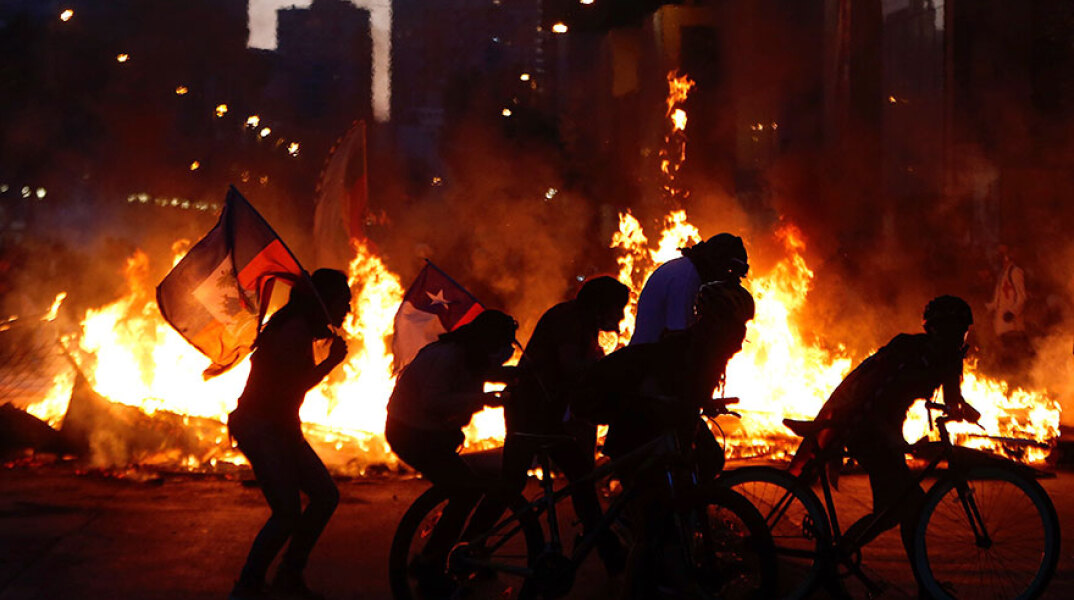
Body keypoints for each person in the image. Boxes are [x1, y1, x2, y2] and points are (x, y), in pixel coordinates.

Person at [572, 280, 755, 598]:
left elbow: (686, 403)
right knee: (655, 521)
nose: (739, 339)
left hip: (656, 426)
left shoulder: (709, 350)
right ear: (714, 322)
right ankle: (638, 574)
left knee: (706, 461)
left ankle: (661, 550)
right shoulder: (688, 353)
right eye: (734, 327)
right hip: (633, 430)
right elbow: (662, 398)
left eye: (743, 327)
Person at [788, 295, 981, 594]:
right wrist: (898, 443)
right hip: (862, 425)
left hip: (886, 428)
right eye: (955, 331)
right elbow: (870, 399)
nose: (960, 339)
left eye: (964, 332)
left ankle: (920, 583)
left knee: (903, 507)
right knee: (903, 507)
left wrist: (964, 410)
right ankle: (835, 561)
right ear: (937, 329)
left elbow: (953, 399)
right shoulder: (907, 351)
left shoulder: (950, 358)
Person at [480, 276, 630, 571]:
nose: (621, 316)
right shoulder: (569, 321)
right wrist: (616, 369)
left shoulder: (583, 322)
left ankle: (604, 546)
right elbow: (573, 368)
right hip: (530, 412)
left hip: (548, 415)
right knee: (512, 483)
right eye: (617, 309)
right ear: (600, 308)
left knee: (581, 479)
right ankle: (463, 547)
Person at [227, 269, 353, 600]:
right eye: (344, 301)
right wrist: (330, 364)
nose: (348, 310)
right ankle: (248, 586)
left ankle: (289, 575)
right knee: (286, 513)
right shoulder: (294, 329)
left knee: (325, 496)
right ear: (323, 301)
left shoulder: (300, 327)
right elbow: (292, 386)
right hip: (262, 426)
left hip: (281, 426)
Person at [384, 309, 518, 594]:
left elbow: (493, 371)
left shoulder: (470, 355)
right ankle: (430, 563)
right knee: (464, 489)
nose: (505, 351)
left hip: (431, 433)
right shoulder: (448, 356)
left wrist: (523, 375)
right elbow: (435, 401)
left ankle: (462, 552)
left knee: (477, 484)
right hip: (411, 433)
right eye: (503, 344)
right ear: (487, 341)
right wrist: (483, 399)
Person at [630, 232, 748, 345]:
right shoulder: (685, 279)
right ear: (718, 263)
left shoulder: (688, 272)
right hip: (648, 360)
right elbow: (678, 339)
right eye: (729, 272)